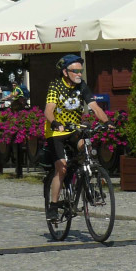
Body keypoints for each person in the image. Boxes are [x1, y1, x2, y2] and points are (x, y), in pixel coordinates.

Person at [44, 54, 109, 218]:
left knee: (85, 148)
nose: (79, 74)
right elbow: (49, 109)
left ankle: (89, 186)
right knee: (62, 167)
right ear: (66, 72)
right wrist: (54, 122)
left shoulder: (82, 87)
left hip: (73, 130)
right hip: (56, 132)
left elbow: (94, 106)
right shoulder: (56, 86)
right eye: (76, 71)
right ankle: (53, 206)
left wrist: (107, 122)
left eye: (81, 70)